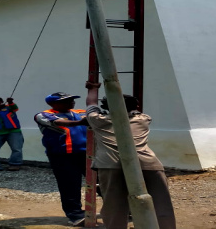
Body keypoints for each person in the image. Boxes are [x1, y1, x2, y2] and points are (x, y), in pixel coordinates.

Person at [84, 82, 176, 229]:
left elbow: (91, 103)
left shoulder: (97, 120)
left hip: (111, 164)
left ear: (106, 107)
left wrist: (93, 88)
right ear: (135, 107)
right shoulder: (144, 119)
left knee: (114, 206)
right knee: (160, 202)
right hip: (146, 163)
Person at [34, 92, 89, 227]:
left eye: (71, 100)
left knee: (102, 181)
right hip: (62, 155)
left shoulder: (80, 112)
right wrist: (80, 122)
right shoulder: (44, 115)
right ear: (52, 104)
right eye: (66, 101)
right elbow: (58, 122)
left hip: (87, 154)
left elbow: (93, 112)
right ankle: (75, 215)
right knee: (70, 185)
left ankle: (117, 209)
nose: (71, 102)